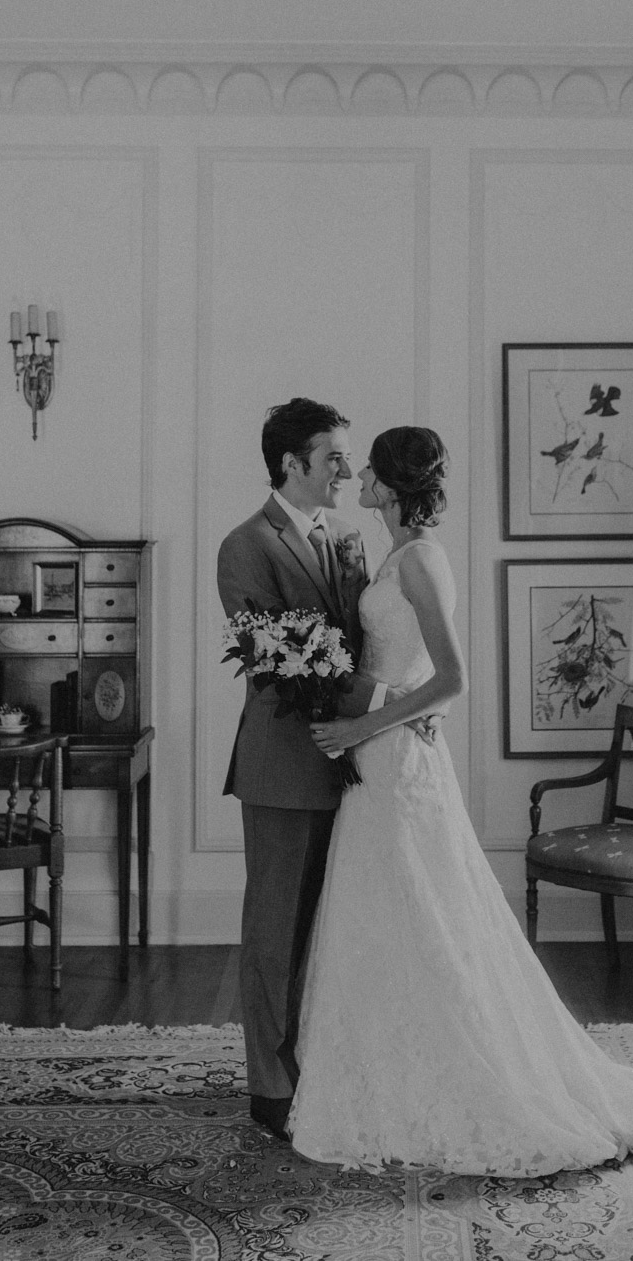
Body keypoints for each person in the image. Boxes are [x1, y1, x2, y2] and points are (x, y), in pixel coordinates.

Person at [290, 425, 633, 1175]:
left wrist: (363, 722)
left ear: (389, 485)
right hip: (385, 751)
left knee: (421, 907)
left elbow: (453, 679)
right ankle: (393, 1063)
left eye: (368, 471)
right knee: (388, 909)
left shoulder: (419, 560)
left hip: (396, 759)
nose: (357, 478)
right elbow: (408, 672)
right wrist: (369, 701)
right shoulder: (394, 554)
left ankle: (455, 1072)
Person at [217, 398, 387, 1143]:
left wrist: (388, 711)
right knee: (275, 932)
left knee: (335, 928)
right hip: (282, 768)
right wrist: (391, 700)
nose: (348, 470)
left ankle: (325, 1064)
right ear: (292, 464)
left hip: (358, 758)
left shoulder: (348, 538)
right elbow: (283, 663)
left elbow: (363, 641)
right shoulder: (245, 546)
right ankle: (271, 1088)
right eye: (334, 457)